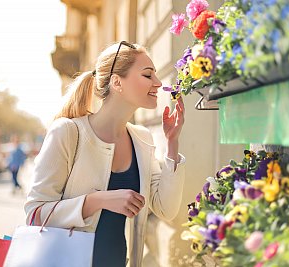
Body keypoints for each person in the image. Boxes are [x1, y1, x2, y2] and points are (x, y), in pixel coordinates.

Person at [25, 41, 186, 267]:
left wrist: (172, 143)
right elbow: (35, 213)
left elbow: (166, 209)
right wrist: (98, 200)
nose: (158, 83)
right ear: (117, 82)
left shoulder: (142, 138)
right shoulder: (68, 132)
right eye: (148, 75)